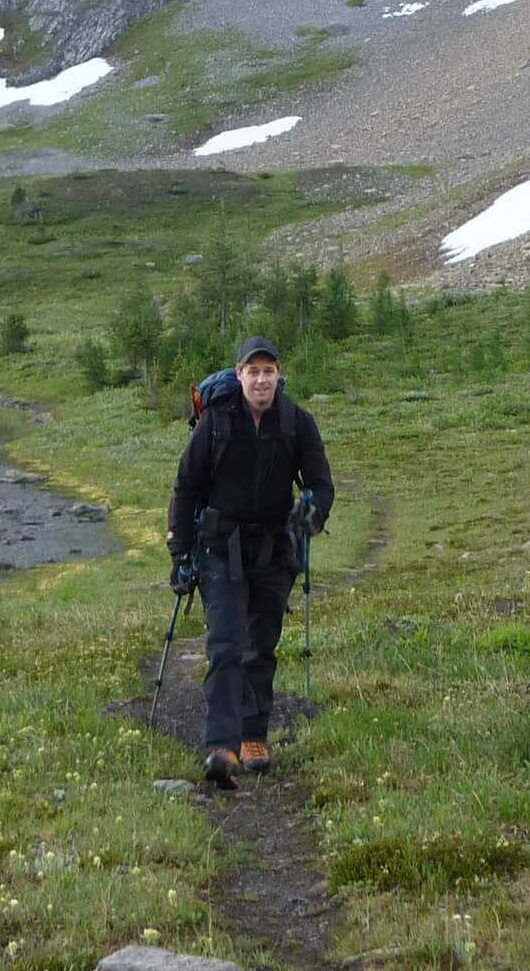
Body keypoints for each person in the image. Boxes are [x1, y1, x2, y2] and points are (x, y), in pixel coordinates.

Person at [166, 333, 334, 788]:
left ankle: (254, 736)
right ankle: (220, 747)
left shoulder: (297, 422)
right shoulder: (217, 421)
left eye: (269, 370)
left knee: (261, 644)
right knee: (225, 645)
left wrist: (313, 510)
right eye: (252, 371)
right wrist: (179, 552)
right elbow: (186, 487)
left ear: (279, 375)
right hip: (220, 546)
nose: (261, 379)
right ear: (239, 375)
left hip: (275, 550)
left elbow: (321, 482)